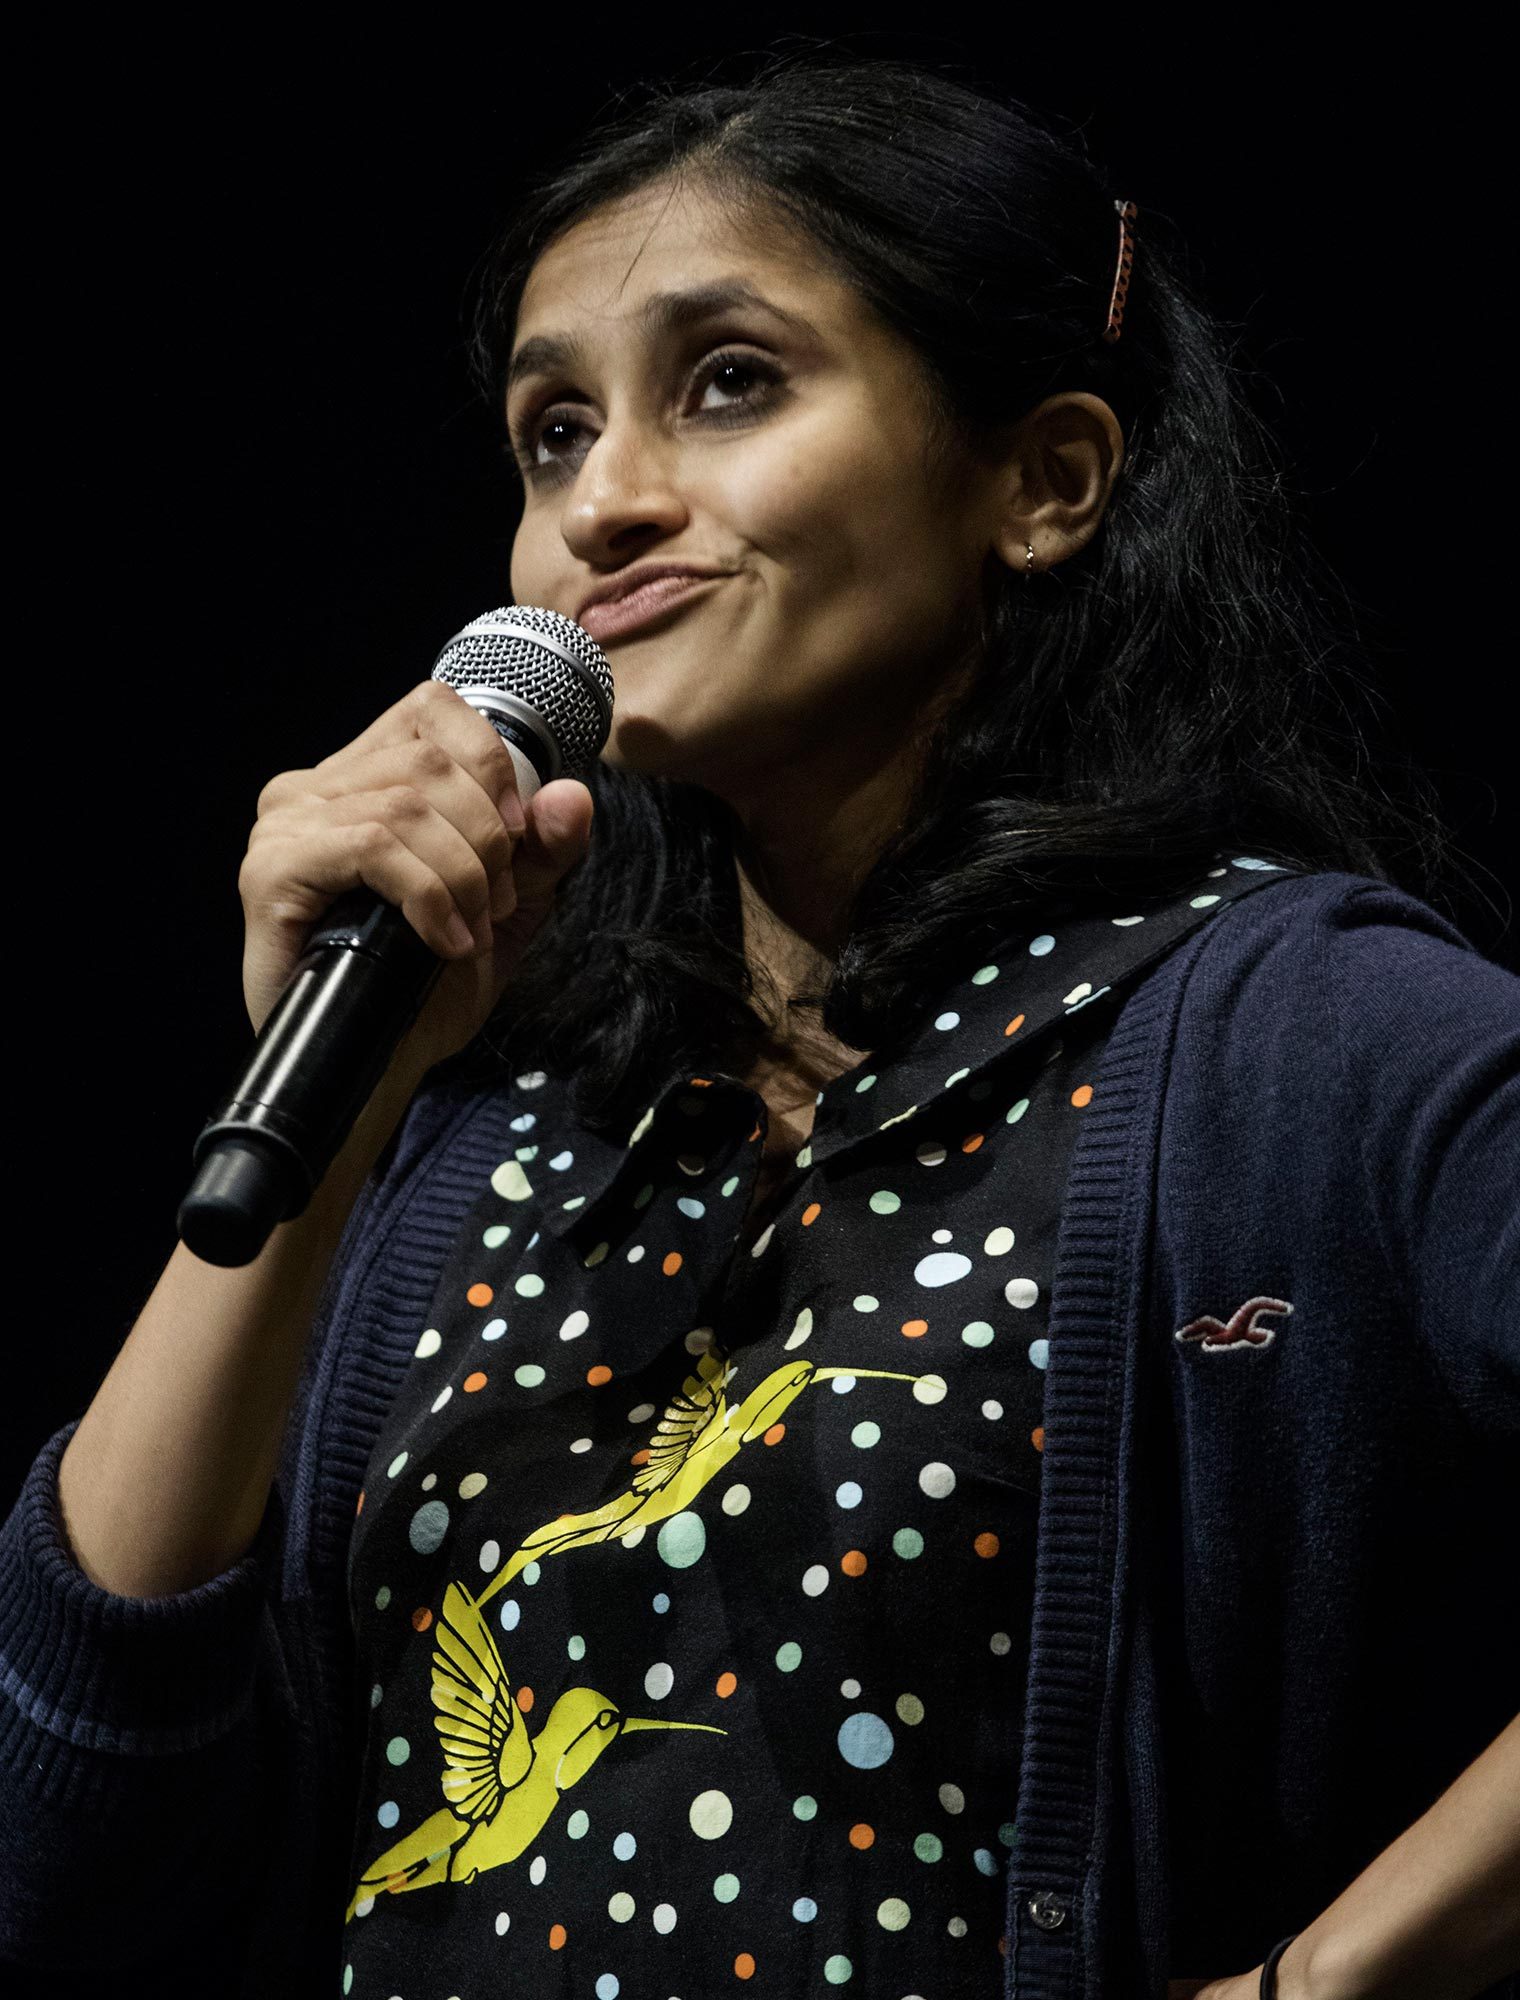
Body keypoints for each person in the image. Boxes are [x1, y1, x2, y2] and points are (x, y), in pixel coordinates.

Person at [3, 49, 1517, 2000]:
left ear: (1040, 481)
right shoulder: (497, 1131)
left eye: (729, 382)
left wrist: (1332, 1980)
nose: (604, 507)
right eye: (551, 433)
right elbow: (68, 1850)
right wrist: (345, 1091)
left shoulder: (1293, 1035)